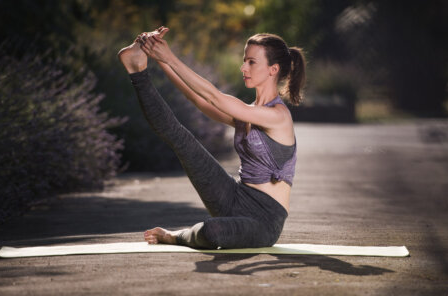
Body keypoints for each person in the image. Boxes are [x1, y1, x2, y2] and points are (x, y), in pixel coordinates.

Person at [117, 26, 306, 249]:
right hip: (233, 195)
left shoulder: (278, 116)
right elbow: (201, 101)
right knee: (179, 137)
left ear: (273, 69)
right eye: (244, 60)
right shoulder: (248, 111)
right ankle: (137, 69)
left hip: (264, 221)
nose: (243, 67)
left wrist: (170, 57)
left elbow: (214, 97)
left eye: (251, 62)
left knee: (212, 231)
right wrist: (159, 58)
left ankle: (176, 236)